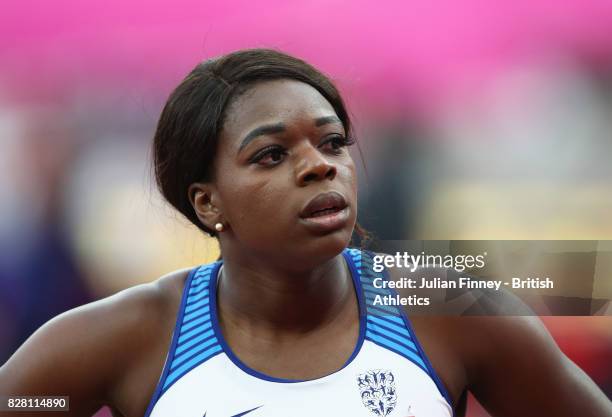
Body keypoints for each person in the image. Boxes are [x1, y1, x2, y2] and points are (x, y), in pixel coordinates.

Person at [1, 49, 611, 417]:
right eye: (270, 154)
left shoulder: (450, 302)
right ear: (208, 202)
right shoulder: (126, 336)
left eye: (333, 142)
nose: (321, 165)